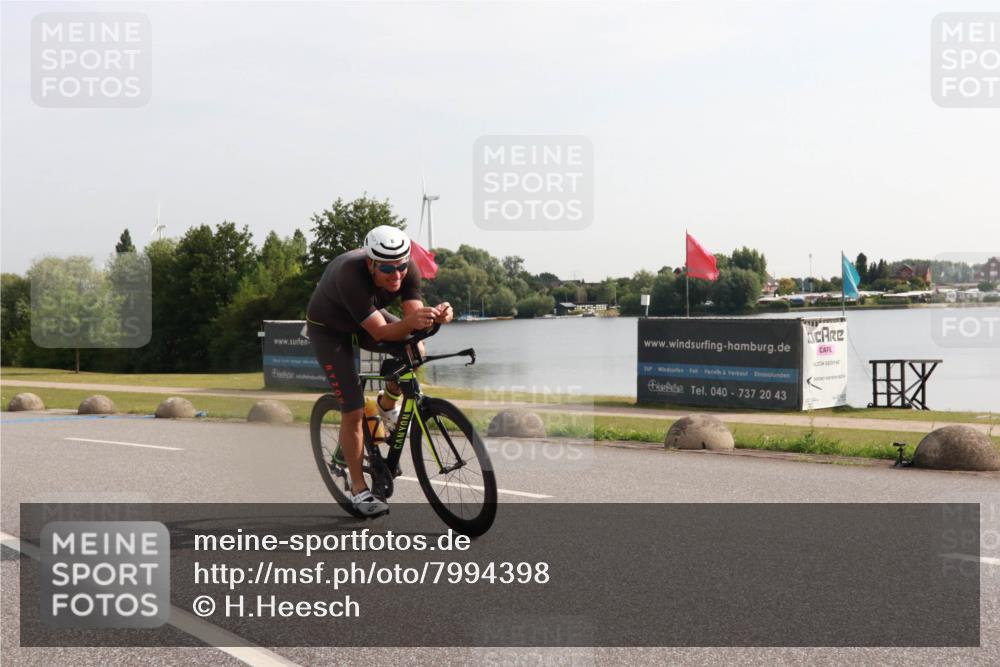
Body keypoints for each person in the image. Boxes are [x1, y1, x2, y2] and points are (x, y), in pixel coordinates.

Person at [305, 226, 453, 516]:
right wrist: (413, 323)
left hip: (365, 318)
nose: (396, 275)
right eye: (387, 268)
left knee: (414, 349)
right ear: (370, 263)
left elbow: (412, 321)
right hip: (330, 330)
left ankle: (386, 404)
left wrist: (437, 317)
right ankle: (360, 491)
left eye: (401, 267)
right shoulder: (350, 275)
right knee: (353, 409)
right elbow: (382, 332)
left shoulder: (407, 268)